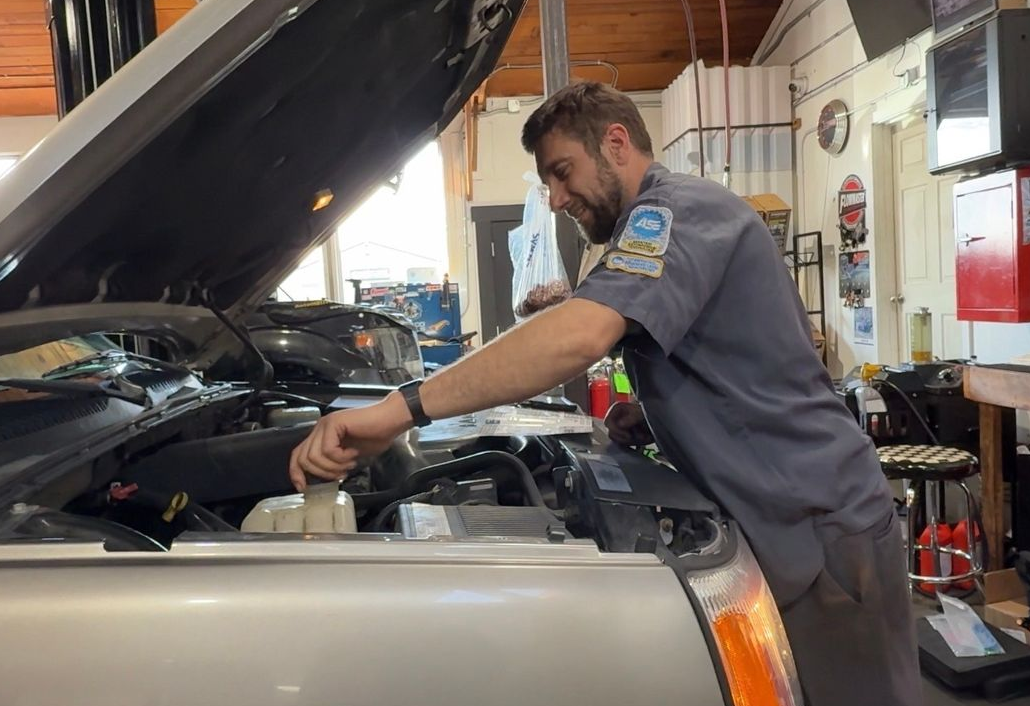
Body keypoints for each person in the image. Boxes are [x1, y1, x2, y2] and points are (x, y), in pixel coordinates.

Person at [287, 81, 919, 706]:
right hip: (778, 520)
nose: (558, 198)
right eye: (550, 184)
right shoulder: (647, 231)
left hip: (821, 527)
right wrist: (654, 413)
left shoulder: (677, 211)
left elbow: (583, 332)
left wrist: (402, 408)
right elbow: (736, 360)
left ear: (616, 142)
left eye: (564, 173)